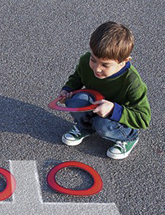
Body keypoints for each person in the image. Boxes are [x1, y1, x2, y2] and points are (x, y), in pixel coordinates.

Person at [58, 21, 150, 159]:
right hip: (95, 105)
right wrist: (68, 89)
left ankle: (128, 138)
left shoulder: (132, 82)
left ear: (124, 61)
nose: (97, 68)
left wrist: (113, 109)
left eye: (105, 65)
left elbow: (144, 119)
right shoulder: (85, 61)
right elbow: (78, 76)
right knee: (75, 101)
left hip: (116, 118)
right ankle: (85, 127)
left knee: (102, 124)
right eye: (93, 60)